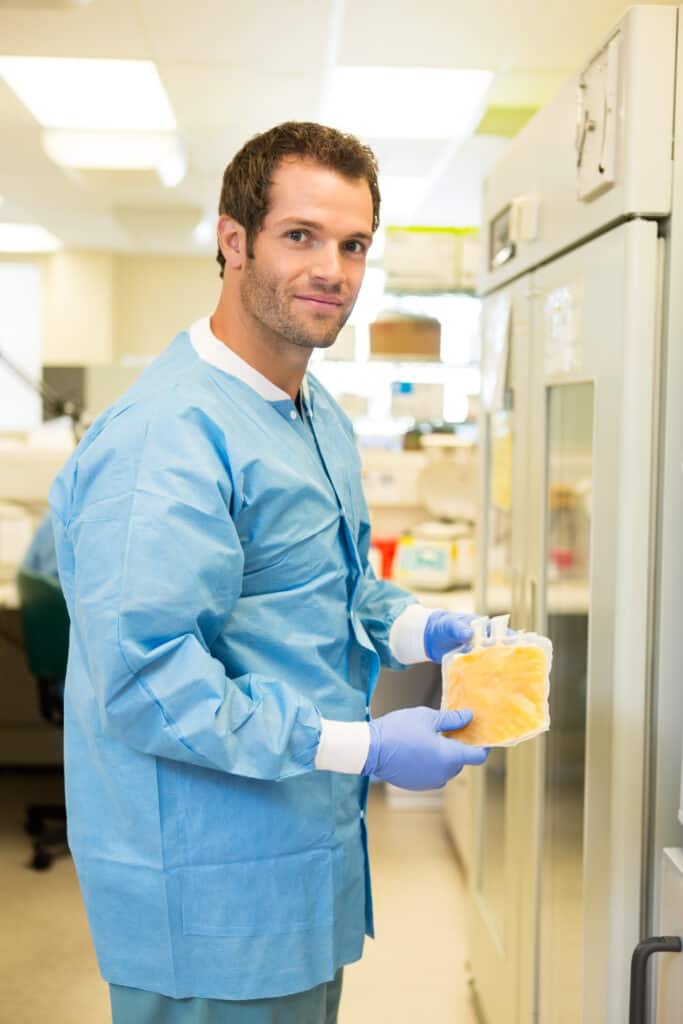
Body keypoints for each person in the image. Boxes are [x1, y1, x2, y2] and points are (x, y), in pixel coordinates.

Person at [49, 121, 489, 1024]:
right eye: (300, 236)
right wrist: (365, 747)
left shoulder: (309, 406)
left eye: (353, 244)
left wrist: (417, 628)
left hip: (300, 857)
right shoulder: (166, 437)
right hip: (209, 891)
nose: (332, 268)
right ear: (232, 240)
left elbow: (324, 581)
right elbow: (149, 681)